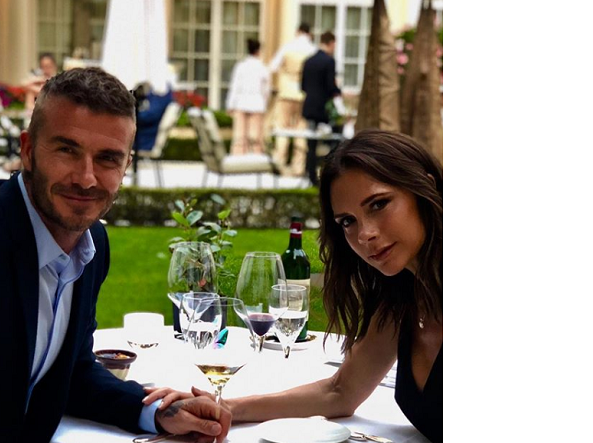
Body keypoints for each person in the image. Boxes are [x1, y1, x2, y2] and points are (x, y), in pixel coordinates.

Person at [144, 130, 443, 442]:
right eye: (347, 221)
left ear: (426, 188)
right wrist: (224, 406)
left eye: (379, 204)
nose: (364, 234)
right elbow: (340, 391)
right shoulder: (404, 298)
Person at [0, 67, 232, 442]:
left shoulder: (91, 243)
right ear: (28, 150)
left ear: (126, 167)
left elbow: (71, 372)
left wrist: (155, 410)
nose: (86, 178)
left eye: (107, 158)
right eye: (67, 150)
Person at [268, 23, 317, 175]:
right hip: (304, 94)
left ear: (297, 31)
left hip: (286, 92)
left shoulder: (288, 47)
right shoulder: (313, 50)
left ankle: (280, 162)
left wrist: (285, 71)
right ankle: (298, 166)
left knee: (282, 128)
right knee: (301, 131)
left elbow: (272, 67)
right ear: (309, 33)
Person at [301, 31, 342, 186]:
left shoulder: (308, 61)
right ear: (331, 43)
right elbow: (331, 87)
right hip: (323, 109)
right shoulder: (329, 61)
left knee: (311, 145)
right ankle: (330, 174)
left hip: (309, 106)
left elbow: (303, 85)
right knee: (335, 140)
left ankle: (311, 176)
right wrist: (338, 93)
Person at [226, 39, 270, 155]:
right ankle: (256, 157)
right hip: (257, 103)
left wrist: (230, 104)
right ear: (259, 51)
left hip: (241, 102)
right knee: (256, 136)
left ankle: (238, 157)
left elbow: (235, 87)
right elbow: (266, 89)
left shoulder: (241, 66)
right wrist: (265, 103)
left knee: (239, 136)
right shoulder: (262, 68)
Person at [23, 53, 59, 119]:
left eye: (48, 66)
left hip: (53, 111)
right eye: (43, 66)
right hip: (37, 111)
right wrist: (40, 79)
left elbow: (48, 92)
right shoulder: (39, 80)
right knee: (30, 94)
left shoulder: (58, 79)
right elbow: (24, 84)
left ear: (54, 66)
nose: (46, 69)